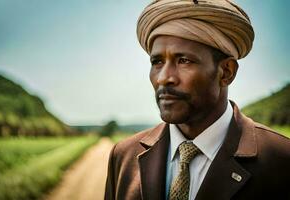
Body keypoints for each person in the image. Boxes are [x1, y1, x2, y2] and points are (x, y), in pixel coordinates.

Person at [104, 0, 290, 199]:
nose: (164, 78)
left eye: (184, 60)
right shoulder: (123, 156)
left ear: (226, 72)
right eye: (157, 62)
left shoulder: (282, 161)